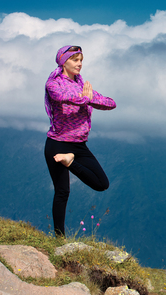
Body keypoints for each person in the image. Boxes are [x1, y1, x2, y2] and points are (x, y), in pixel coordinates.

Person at [44, 45, 116, 237]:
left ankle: (70, 162)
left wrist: (89, 98)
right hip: (57, 143)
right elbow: (61, 97)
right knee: (62, 192)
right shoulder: (53, 84)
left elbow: (111, 103)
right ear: (63, 62)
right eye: (75, 59)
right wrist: (85, 98)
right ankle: (59, 238)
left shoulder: (82, 86)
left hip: (78, 146)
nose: (79, 64)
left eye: (81, 60)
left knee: (102, 184)